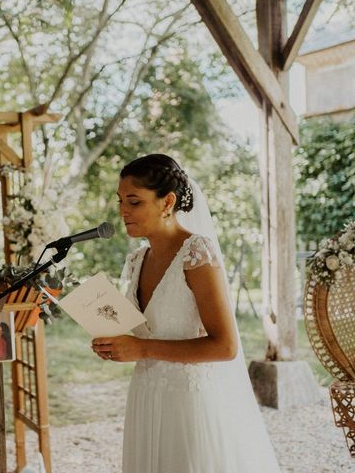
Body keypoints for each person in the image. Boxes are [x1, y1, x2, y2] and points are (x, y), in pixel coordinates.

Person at [91, 154, 281, 472]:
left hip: (189, 405)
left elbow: (225, 347)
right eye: (121, 201)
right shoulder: (137, 260)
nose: (123, 211)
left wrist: (141, 348)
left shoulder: (196, 254)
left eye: (134, 202)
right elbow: (143, 333)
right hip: (146, 398)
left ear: (167, 202)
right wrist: (114, 344)